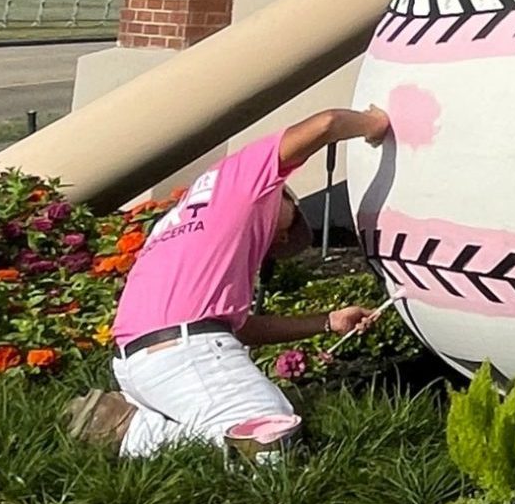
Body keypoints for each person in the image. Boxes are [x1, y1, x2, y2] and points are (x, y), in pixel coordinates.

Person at [99, 105, 392, 458]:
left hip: (138, 366)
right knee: (271, 444)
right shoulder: (245, 178)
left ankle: (140, 428)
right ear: (280, 193)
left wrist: (328, 322)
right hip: (183, 353)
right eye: (290, 224)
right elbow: (327, 124)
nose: (282, 238)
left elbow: (237, 329)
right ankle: (135, 435)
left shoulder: (177, 224)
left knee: (235, 436)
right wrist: (375, 124)